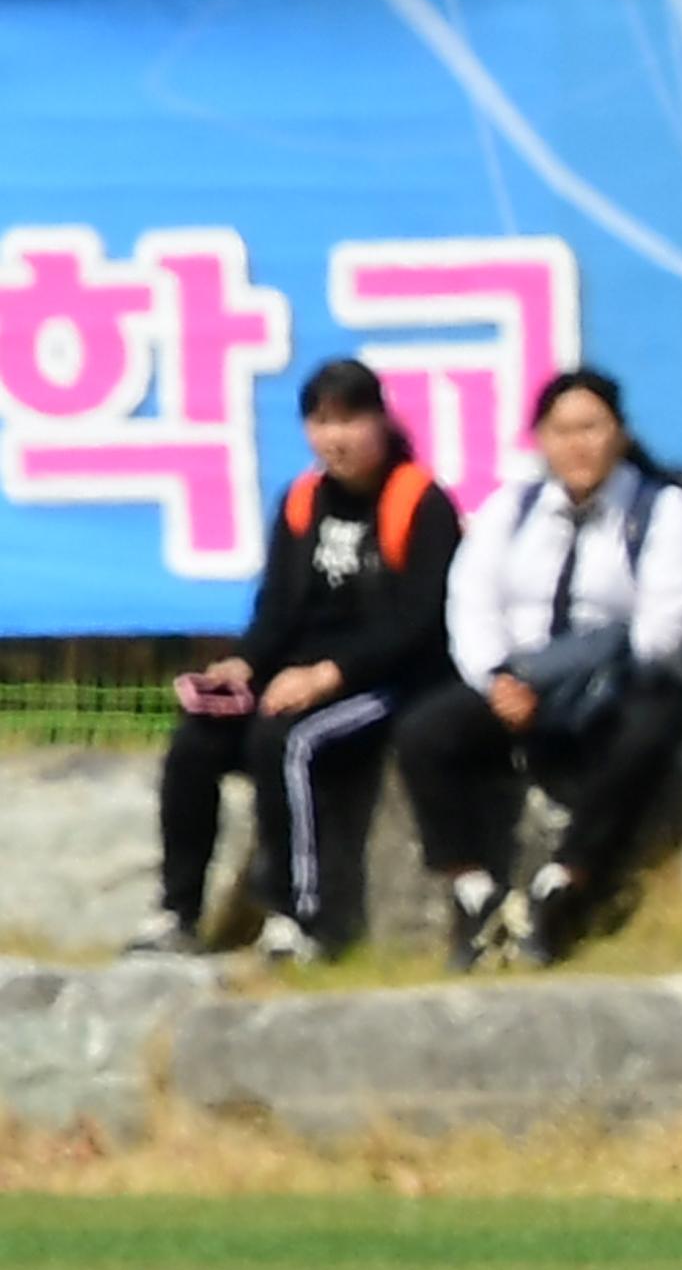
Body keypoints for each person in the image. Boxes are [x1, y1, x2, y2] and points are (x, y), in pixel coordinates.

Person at [136, 358, 460, 963]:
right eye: (320, 420)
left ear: (382, 421)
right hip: (297, 676)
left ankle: (299, 919)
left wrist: (329, 674)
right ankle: (177, 911)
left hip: (385, 682)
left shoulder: (422, 502)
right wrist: (242, 666)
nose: (335, 437)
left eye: (350, 419)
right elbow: (278, 611)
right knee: (195, 743)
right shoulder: (302, 501)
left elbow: (418, 623)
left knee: (283, 740)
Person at [394, 365, 682, 969]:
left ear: (619, 434)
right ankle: (473, 892)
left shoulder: (662, 509)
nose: (578, 444)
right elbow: (472, 602)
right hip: (519, 681)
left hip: (617, 683)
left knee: (649, 728)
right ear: (540, 438)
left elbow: (663, 630)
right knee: (425, 733)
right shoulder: (511, 510)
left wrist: (558, 682)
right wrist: (497, 681)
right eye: (562, 430)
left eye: (592, 428)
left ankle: (565, 885)